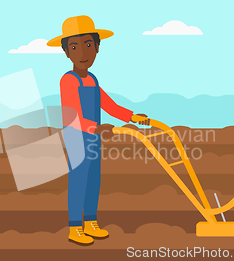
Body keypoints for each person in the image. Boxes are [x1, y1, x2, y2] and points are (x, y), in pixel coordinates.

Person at [47, 15, 149, 245]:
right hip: (77, 137)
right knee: (79, 180)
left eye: (88, 45)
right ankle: (75, 226)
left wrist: (132, 116)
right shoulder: (68, 80)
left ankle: (91, 221)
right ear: (66, 52)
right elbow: (71, 116)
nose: (82, 52)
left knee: (94, 180)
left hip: (94, 138)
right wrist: (97, 128)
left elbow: (109, 105)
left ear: (97, 48)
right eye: (74, 46)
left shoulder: (92, 79)